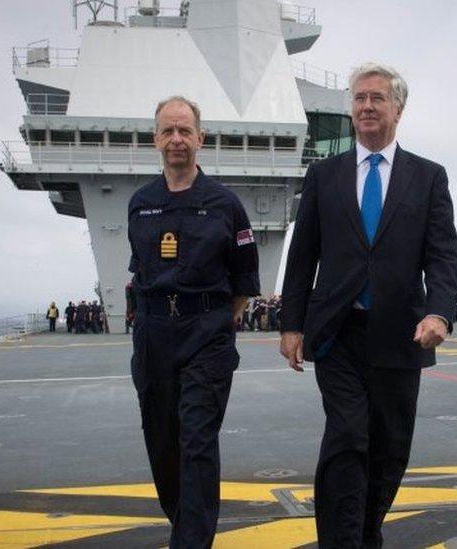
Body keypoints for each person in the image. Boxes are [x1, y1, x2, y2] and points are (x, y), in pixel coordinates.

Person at [279, 62, 457, 548]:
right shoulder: (324, 175)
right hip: (338, 334)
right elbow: (303, 255)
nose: (366, 106)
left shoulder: (429, 177)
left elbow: (442, 255)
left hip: (401, 334)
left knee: (388, 449)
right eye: (359, 98)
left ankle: (365, 533)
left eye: (377, 98)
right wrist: (291, 324)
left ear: (398, 108)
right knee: (346, 439)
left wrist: (439, 312)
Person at [127, 96, 260, 548]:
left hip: (206, 334)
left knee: (197, 440)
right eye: (168, 131)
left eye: (185, 131)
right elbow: (138, 272)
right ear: (155, 140)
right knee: (162, 444)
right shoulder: (140, 204)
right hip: (152, 339)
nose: (177, 139)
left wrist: (217, 323)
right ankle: (185, 523)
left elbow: (244, 279)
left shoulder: (226, 205)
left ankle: (192, 541)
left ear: (201, 138)